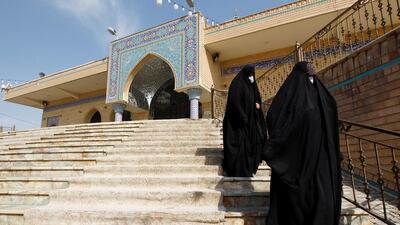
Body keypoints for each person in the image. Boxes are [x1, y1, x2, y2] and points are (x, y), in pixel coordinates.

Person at [263, 61, 342, 225]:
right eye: (308, 76)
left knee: (324, 200)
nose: (311, 79)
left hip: (321, 159)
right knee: (298, 204)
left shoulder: (322, 97)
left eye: (313, 76)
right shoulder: (290, 97)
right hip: (298, 160)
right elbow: (274, 117)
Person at [222, 65, 267, 177]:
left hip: (249, 122)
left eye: (253, 74)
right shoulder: (237, 85)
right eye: (250, 74)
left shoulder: (251, 85)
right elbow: (235, 102)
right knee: (240, 145)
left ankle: (249, 166)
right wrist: (242, 116)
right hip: (237, 123)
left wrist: (257, 103)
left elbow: (256, 97)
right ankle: (238, 169)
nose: (252, 77)